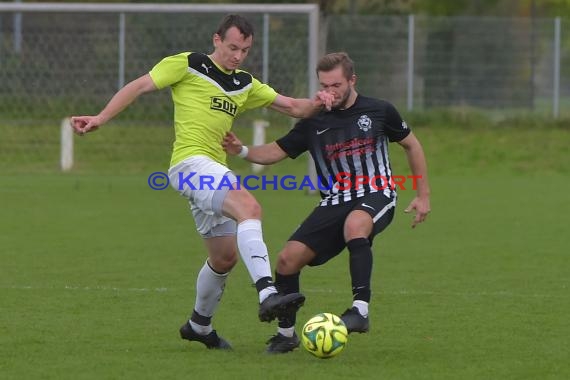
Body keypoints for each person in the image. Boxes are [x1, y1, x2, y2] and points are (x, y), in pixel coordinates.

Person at [70, 14, 333, 350]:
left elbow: (294, 107)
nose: (238, 56)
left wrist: (320, 102)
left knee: (224, 258)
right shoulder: (189, 64)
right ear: (217, 40)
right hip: (190, 165)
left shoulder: (244, 84)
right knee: (249, 207)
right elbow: (139, 85)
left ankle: (198, 325)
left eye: (245, 50)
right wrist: (100, 118)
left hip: (214, 170)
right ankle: (267, 292)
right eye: (233, 47)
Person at [222, 52, 431, 353]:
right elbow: (275, 152)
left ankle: (360, 311)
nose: (329, 91)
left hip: (377, 192)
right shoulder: (313, 120)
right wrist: (240, 150)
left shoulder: (379, 110)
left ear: (352, 81)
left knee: (356, 224)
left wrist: (423, 195)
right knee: (287, 259)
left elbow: (412, 145)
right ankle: (286, 335)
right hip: (335, 199)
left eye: (336, 85)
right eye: (324, 85)